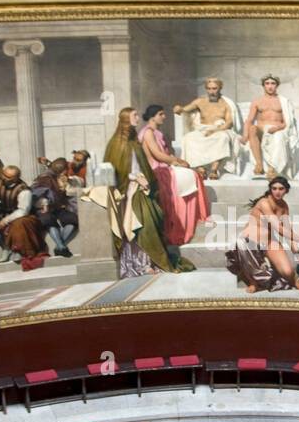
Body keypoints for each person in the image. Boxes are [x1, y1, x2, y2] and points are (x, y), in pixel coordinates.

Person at [97, 107, 194, 276]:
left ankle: (148, 261)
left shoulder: (135, 141)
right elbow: (114, 170)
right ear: (126, 119)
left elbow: (142, 165)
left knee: (152, 224)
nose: (137, 118)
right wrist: (134, 178)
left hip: (142, 189)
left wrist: (145, 180)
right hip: (127, 193)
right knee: (139, 226)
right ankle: (137, 264)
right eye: (134, 115)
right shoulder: (116, 143)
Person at [140, 104, 209, 247]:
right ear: (153, 116)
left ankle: (195, 217)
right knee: (192, 176)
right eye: (161, 114)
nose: (164, 117)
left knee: (194, 174)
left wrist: (179, 161)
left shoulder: (157, 132)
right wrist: (177, 161)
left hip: (166, 165)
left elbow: (166, 153)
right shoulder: (147, 132)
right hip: (157, 169)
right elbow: (157, 155)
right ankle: (185, 222)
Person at [226, 176, 299, 292]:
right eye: (274, 188)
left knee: (288, 272)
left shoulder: (284, 206)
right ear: (270, 189)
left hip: (270, 242)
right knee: (242, 244)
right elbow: (278, 227)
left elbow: (287, 230)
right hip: (249, 241)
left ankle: (293, 278)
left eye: (281, 189)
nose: (277, 192)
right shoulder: (264, 202)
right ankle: (253, 282)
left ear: (286, 190)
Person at [177, 78, 241, 179]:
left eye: (214, 89)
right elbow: (185, 109)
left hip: (219, 129)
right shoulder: (200, 101)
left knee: (223, 138)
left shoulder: (226, 103)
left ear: (220, 88)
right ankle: (200, 169)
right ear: (206, 89)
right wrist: (179, 109)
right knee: (188, 138)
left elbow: (229, 122)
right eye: (209, 89)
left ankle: (214, 169)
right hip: (202, 129)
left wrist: (214, 130)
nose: (212, 92)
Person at [243, 74, 299, 178]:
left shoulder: (283, 101)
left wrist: (278, 128)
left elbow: (288, 122)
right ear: (263, 86)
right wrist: (244, 136)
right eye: (267, 83)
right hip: (261, 129)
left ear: (277, 85)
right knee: (252, 129)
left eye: (273, 83)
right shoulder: (257, 101)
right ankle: (259, 164)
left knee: (279, 136)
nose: (270, 86)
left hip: (277, 128)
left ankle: (273, 168)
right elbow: (249, 120)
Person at [0, 166, 47, 264]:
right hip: (4, 209)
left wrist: (4, 221)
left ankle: (17, 250)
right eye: (4, 175)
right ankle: (5, 247)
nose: (5, 179)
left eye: (9, 177)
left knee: (17, 225)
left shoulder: (24, 190)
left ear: (16, 178)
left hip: (19, 213)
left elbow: (23, 211)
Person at [32, 159, 79, 257]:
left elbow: (66, 193)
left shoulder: (61, 177)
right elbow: (38, 193)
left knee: (73, 220)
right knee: (48, 221)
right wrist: (45, 203)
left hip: (59, 207)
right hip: (45, 208)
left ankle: (59, 247)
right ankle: (61, 246)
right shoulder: (45, 178)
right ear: (63, 169)